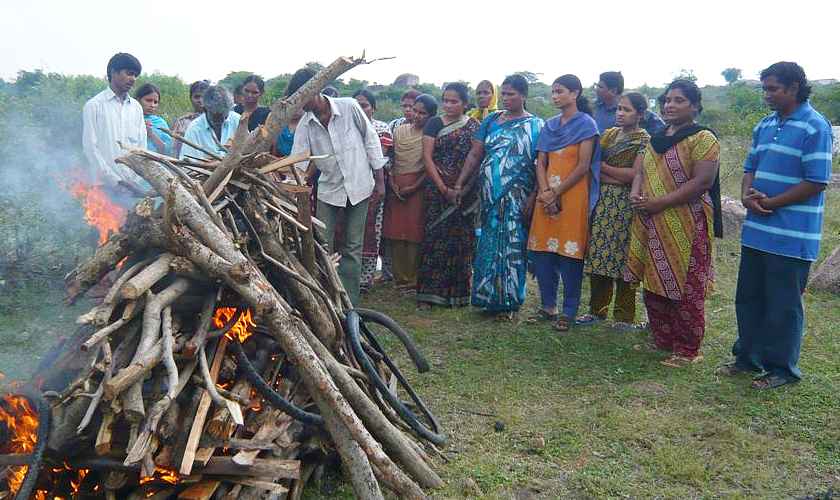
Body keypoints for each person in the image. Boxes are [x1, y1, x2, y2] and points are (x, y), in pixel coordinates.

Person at [719, 62, 833, 389]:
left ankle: (782, 369)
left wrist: (771, 203)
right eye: (764, 88)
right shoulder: (765, 124)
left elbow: (816, 181)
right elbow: (750, 166)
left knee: (783, 305)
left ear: (794, 87)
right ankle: (747, 357)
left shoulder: (815, 127)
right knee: (749, 298)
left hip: (791, 235)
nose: (766, 95)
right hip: (757, 232)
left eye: (773, 89)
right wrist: (745, 196)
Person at [624, 79, 720, 367]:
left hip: (685, 222)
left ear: (694, 105)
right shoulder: (657, 136)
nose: (670, 105)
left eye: (679, 100)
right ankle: (662, 339)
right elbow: (640, 170)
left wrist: (660, 202)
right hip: (651, 219)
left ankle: (687, 350)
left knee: (686, 286)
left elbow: (702, 182)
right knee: (654, 280)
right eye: (667, 100)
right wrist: (636, 191)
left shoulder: (704, 139)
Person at [288, 68, 387, 306]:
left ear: (316, 90)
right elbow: (299, 160)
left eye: (303, 97)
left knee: (353, 247)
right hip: (329, 190)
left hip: (360, 185)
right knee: (322, 245)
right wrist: (292, 185)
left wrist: (380, 181)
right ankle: (327, 299)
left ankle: (350, 303)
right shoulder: (306, 124)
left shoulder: (349, 106)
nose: (301, 104)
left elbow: (371, 140)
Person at [454, 75, 543, 319]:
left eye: (511, 94)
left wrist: (534, 195)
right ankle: (487, 298)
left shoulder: (536, 125)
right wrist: (460, 183)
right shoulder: (491, 120)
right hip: (490, 193)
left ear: (524, 96)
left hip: (518, 194)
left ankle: (509, 303)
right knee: (489, 242)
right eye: (503, 93)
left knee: (512, 244)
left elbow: (540, 164)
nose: (506, 98)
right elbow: (475, 154)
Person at [527, 74, 600, 332]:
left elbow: (583, 166)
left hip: (573, 196)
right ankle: (548, 306)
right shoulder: (549, 125)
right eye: (553, 92)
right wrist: (546, 192)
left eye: (560, 91)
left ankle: (568, 311)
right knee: (543, 252)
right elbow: (541, 162)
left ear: (575, 93)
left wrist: (556, 193)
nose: (555, 96)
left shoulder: (587, 125)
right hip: (546, 196)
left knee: (570, 254)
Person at [578, 93, 650, 328]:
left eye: (626, 110)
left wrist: (606, 169)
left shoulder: (644, 140)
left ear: (640, 114)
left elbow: (634, 175)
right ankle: (596, 311)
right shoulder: (609, 134)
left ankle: (624, 316)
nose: (620, 113)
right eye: (619, 108)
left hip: (626, 206)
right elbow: (592, 167)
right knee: (599, 255)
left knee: (624, 258)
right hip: (602, 201)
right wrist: (614, 174)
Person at [416, 83, 480, 308]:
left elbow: (477, 157)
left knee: (461, 241)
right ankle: (429, 295)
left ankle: (458, 295)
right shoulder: (434, 124)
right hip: (437, 189)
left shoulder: (473, 125)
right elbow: (427, 158)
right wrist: (443, 187)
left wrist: (461, 187)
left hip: (465, 191)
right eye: (445, 100)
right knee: (435, 239)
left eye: (454, 101)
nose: (448, 105)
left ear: (464, 103)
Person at [382, 94, 437, 290]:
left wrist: (414, 187)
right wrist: (393, 182)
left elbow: (430, 165)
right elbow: (391, 159)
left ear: (431, 116)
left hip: (418, 186)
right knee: (395, 232)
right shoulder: (399, 130)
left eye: (423, 113)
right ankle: (399, 278)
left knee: (414, 232)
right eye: (415, 110)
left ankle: (413, 278)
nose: (417, 115)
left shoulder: (431, 134)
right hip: (396, 184)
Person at [82, 52, 148, 206]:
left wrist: (134, 180)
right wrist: (116, 182)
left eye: (135, 75)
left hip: (132, 188)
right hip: (104, 188)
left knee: (135, 229)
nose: (133, 79)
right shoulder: (94, 106)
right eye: (129, 73)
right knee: (103, 229)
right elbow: (91, 148)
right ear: (113, 72)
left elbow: (141, 147)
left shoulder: (136, 108)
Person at [353, 89, 393, 292]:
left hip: (372, 185)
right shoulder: (347, 128)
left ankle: (365, 280)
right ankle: (348, 276)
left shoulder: (382, 128)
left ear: (374, 108)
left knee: (371, 231)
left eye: (365, 105)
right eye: (357, 105)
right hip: (348, 186)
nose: (361, 109)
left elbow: (377, 158)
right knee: (349, 233)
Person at [179, 86, 241, 160]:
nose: (221, 120)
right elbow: (188, 163)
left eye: (224, 114)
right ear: (205, 109)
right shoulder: (194, 129)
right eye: (216, 115)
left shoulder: (238, 120)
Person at [171, 80, 210, 158]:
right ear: (191, 98)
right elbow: (174, 149)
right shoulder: (183, 122)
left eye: (204, 96)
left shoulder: (218, 121)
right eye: (197, 97)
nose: (200, 100)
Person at [135, 83, 172, 156]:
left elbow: (167, 151)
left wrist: (151, 134)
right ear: (138, 100)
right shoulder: (130, 119)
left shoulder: (160, 123)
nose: (152, 105)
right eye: (148, 100)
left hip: (154, 163)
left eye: (155, 102)